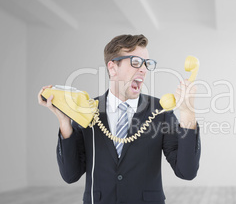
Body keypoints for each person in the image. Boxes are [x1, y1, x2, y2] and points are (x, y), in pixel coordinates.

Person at [37, 34, 201, 204]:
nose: (143, 69)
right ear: (112, 67)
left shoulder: (160, 111)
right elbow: (70, 175)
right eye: (136, 62)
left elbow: (187, 171)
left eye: (147, 64)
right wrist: (65, 122)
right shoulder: (87, 109)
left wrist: (188, 112)